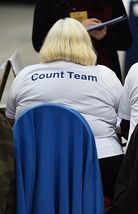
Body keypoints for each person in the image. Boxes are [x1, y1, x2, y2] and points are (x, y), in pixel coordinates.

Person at [6, 18, 124, 203]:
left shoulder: (26, 75)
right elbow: (123, 117)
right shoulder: (106, 75)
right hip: (98, 161)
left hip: (35, 164)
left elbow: (12, 119)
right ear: (87, 44)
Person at [32, 0, 132, 81]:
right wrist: (76, 30)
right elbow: (38, 43)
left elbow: (126, 42)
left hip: (105, 72)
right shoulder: (49, 3)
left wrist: (105, 36)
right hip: (62, 74)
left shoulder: (111, 3)